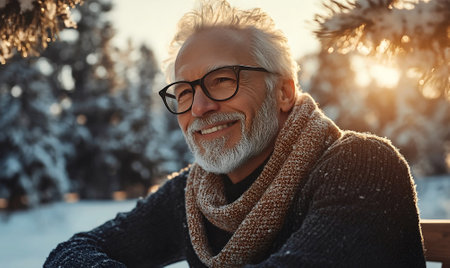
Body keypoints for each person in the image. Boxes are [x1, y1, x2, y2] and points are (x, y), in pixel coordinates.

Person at [44, 1, 426, 267]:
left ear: (284, 92)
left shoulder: (362, 167)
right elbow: (72, 252)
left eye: (222, 81)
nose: (199, 108)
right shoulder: (194, 198)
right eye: (184, 92)